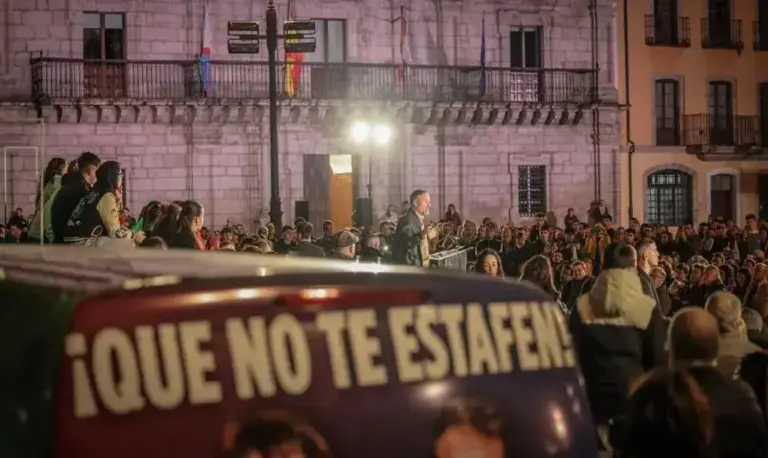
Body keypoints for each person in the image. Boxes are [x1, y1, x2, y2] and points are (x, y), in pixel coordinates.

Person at [63, 161, 144, 246]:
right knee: (128, 244)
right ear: (112, 176)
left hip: (73, 239)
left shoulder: (95, 192)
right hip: (81, 242)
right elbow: (115, 233)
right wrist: (133, 235)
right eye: (120, 174)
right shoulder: (107, 196)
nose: (121, 178)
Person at [51, 152, 101, 243]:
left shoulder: (72, 185)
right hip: (71, 242)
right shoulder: (81, 190)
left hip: (62, 239)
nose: (99, 175)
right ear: (90, 170)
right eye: (97, 171)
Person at [392, 189, 437, 266]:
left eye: (429, 202)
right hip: (411, 270)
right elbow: (404, 245)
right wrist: (421, 235)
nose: (429, 205)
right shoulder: (406, 220)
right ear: (415, 203)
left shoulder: (417, 218)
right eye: (426, 202)